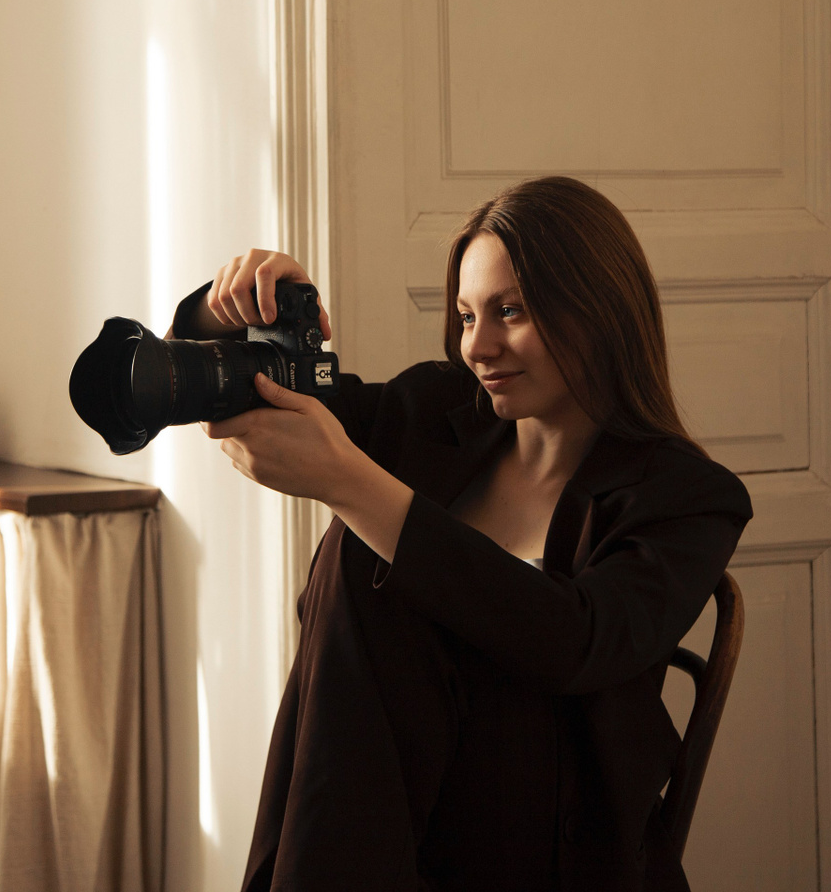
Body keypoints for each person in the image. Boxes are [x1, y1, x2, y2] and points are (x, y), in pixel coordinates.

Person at [172, 176, 753, 892]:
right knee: (362, 555)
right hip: (403, 812)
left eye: (510, 311)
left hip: (548, 835)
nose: (478, 346)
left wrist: (353, 486)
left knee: (363, 551)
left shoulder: (687, 495)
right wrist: (228, 309)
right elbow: (267, 397)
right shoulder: (436, 411)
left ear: (599, 309)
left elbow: (578, 642)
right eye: (467, 315)